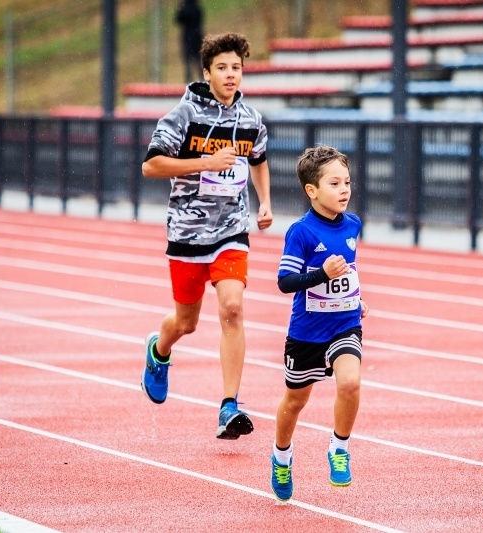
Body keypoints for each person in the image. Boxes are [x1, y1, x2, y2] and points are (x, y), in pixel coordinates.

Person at [140, 32, 273, 440]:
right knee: (186, 322)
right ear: (207, 72)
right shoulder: (183, 114)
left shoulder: (250, 119)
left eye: (236, 67)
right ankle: (159, 351)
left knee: (232, 308)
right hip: (187, 230)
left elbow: (259, 160)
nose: (231, 75)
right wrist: (205, 162)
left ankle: (229, 405)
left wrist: (264, 202)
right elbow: (151, 166)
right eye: (222, 68)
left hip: (231, 229)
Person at [269, 145, 369, 501]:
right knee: (295, 402)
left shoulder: (353, 224)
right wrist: (320, 274)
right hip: (307, 332)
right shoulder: (301, 232)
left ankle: (339, 448)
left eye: (347, 182)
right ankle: (282, 455)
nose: (344, 190)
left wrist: (357, 298)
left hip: (344, 324)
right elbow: (285, 282)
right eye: (334, 183)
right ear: (312, 190)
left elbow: (347, 271)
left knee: (351, 383)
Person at [175, 0, 204, 83]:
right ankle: (201, 79)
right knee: (197, 60)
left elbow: (178, 19)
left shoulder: (185, 9)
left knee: (188, 60)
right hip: (197, 36)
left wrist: (180, 8)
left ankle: (189, 80)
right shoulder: (197, 8)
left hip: (187, 37)